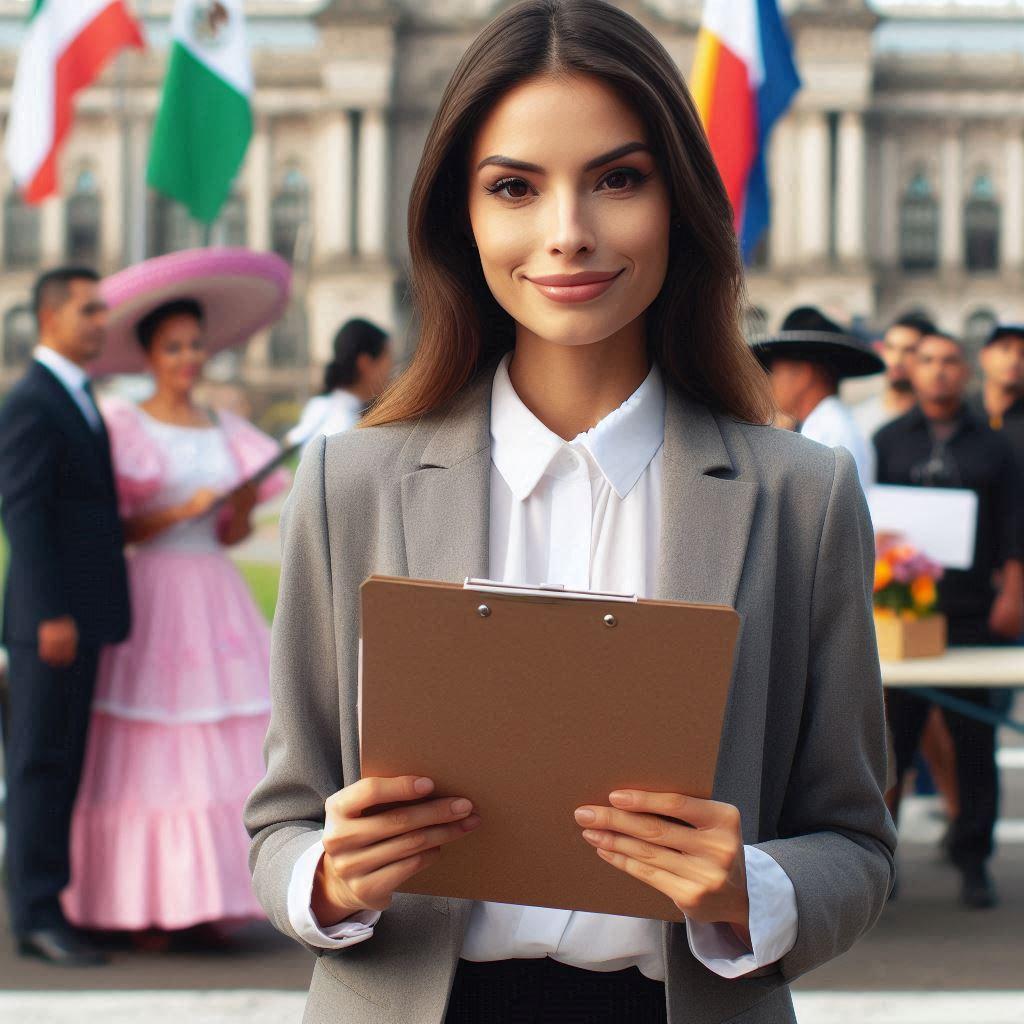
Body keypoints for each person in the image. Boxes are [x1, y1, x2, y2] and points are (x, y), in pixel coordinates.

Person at [245, 3, 895, 1022]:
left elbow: (855, 842)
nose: (567, 234)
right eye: (514, 186)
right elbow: (280, 824)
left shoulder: (799, 497)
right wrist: (328, 877)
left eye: (618, 179)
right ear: (460, 215)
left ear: (678, 200)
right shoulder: (349, 484)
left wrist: (750, 888)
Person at [60, 272, 291, 941]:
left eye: (195, 347)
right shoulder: (124, 426)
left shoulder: (228, 429)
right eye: (173, 348)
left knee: (220, 739)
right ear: (148, 356)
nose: (187, 360)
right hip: (153, 588)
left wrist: (236, 510)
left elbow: (232, 534)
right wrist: (172, 514)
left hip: (212, 591)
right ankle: (142, 904)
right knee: (147, 742)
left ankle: (210, 901)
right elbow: (116, 527)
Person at [0, 267, 130, 966]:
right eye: (89, 309)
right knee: (39, 766)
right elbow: (22, 511)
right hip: (50, 620)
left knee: (60, 763)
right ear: (50, 316)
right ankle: (35, 914)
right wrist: (48, 610)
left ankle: (49, 902)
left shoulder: (77, 396)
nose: (101, 321)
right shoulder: (32, 401)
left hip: (82, 615)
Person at [875, 331, 1024, 909]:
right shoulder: (887, 441)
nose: (938, 371)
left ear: (966, 373)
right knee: (891, 747)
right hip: (900, 612)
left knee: (973, 743)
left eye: (949, 362)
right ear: (914, 371)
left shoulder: (995, 449)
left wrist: (1013, 592)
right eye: (928, 361)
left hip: (971, 617)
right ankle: (878, 864)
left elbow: (1015, 527)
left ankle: (973, 861)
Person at [751, 306, 883, 492]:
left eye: (775, 372)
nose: (770, 382)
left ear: (804, 374)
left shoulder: (831, 434)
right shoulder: (825, 426)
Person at [287, 318, 394, 448]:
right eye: (387, 359)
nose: (391, 369)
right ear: (365, 363)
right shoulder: (349, 427)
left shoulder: (317, 406)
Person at [854, 312, 936, 440]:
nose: (896, 360)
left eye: (909, 350)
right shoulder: (858, 420)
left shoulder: (940, 424)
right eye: (890, 348)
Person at [973, 323, 1024, 478]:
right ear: (984, 356)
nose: (1014, 360)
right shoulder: (960, 413)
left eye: (1023, 353)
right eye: (1005, 349)